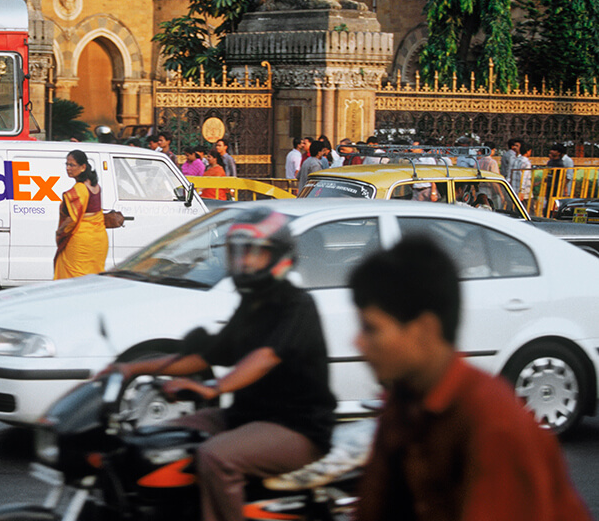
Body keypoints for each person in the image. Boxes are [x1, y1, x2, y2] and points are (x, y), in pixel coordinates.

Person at [107, 209, 336, 521]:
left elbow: (265, 357)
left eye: (254, 253)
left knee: (216, 457)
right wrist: (131, 369)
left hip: (297, 427)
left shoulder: (296, 305)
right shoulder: (250, 305)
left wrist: (212, 387)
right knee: (153, 444)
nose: (244, 261)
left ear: (278, 257)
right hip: (244, 417)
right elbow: (204, 356)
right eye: (238, 253)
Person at [349, 236, 591, 521]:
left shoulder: (492, 424)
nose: (358, 343)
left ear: (424, 329)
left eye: (371, 329)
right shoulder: (404, 400)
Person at [53, 150, 109, 279]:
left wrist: (59, 231)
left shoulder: (79, 189)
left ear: (83, 167)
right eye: (66, 164)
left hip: (81, 242)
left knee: (74, 278)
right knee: (93, 277)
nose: (68, 168)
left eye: (72, 165)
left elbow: (73, 219)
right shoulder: (95, 186)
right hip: (99, 240)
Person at [511, 141, 533, 212]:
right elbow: (524, 177)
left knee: (518, 210)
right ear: (528, 151)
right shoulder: (526, 163)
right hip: (524, 192)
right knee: (528, 211)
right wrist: (522, 191)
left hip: (515, 190)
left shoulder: (516, 161)